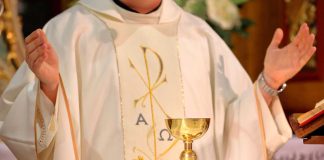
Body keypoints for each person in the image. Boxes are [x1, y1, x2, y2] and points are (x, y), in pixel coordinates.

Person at [0, 0, 316, 159]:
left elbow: (235, 133)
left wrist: (268, 82)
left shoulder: (198, 36)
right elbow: (29, 141)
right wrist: (50, 87)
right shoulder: (69, 32)